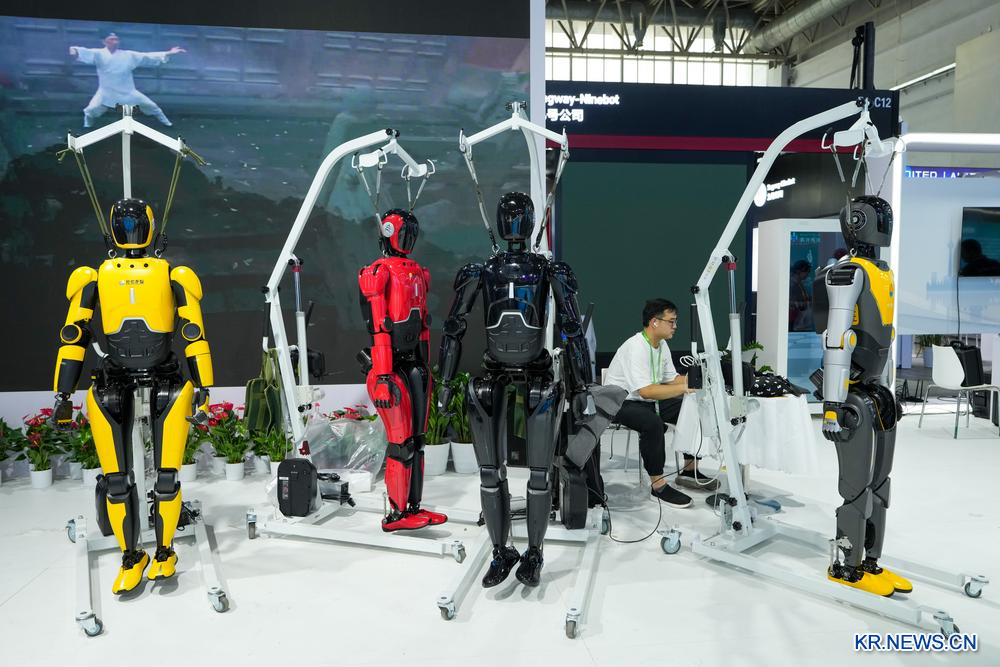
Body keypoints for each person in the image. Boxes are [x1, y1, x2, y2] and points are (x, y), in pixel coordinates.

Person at [605, 298, 718, 509]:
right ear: (654, 322)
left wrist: (697, 381)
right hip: (622, 402)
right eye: (671, 321)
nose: (675, 326)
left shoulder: (661, 345)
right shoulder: (635, 347)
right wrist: (685, 388)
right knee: (652, 424)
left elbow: (670, 378)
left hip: (648, 400)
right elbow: (646, 391)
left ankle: (689, 470)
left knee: (692, 409)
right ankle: (658, 486)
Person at [69, 33, 186, 127]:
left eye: (116, 39)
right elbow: (81, 51)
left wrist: (169, 53)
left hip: (128, 91)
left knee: (152, 106)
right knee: (91, 109)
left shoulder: (128, 55)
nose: (115, 41)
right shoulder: (98, 54)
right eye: (112, 39)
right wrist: (74, 50)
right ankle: (87, 126)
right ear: (104, 41)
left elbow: (147, 56)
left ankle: (168, 124)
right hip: (106, 91)